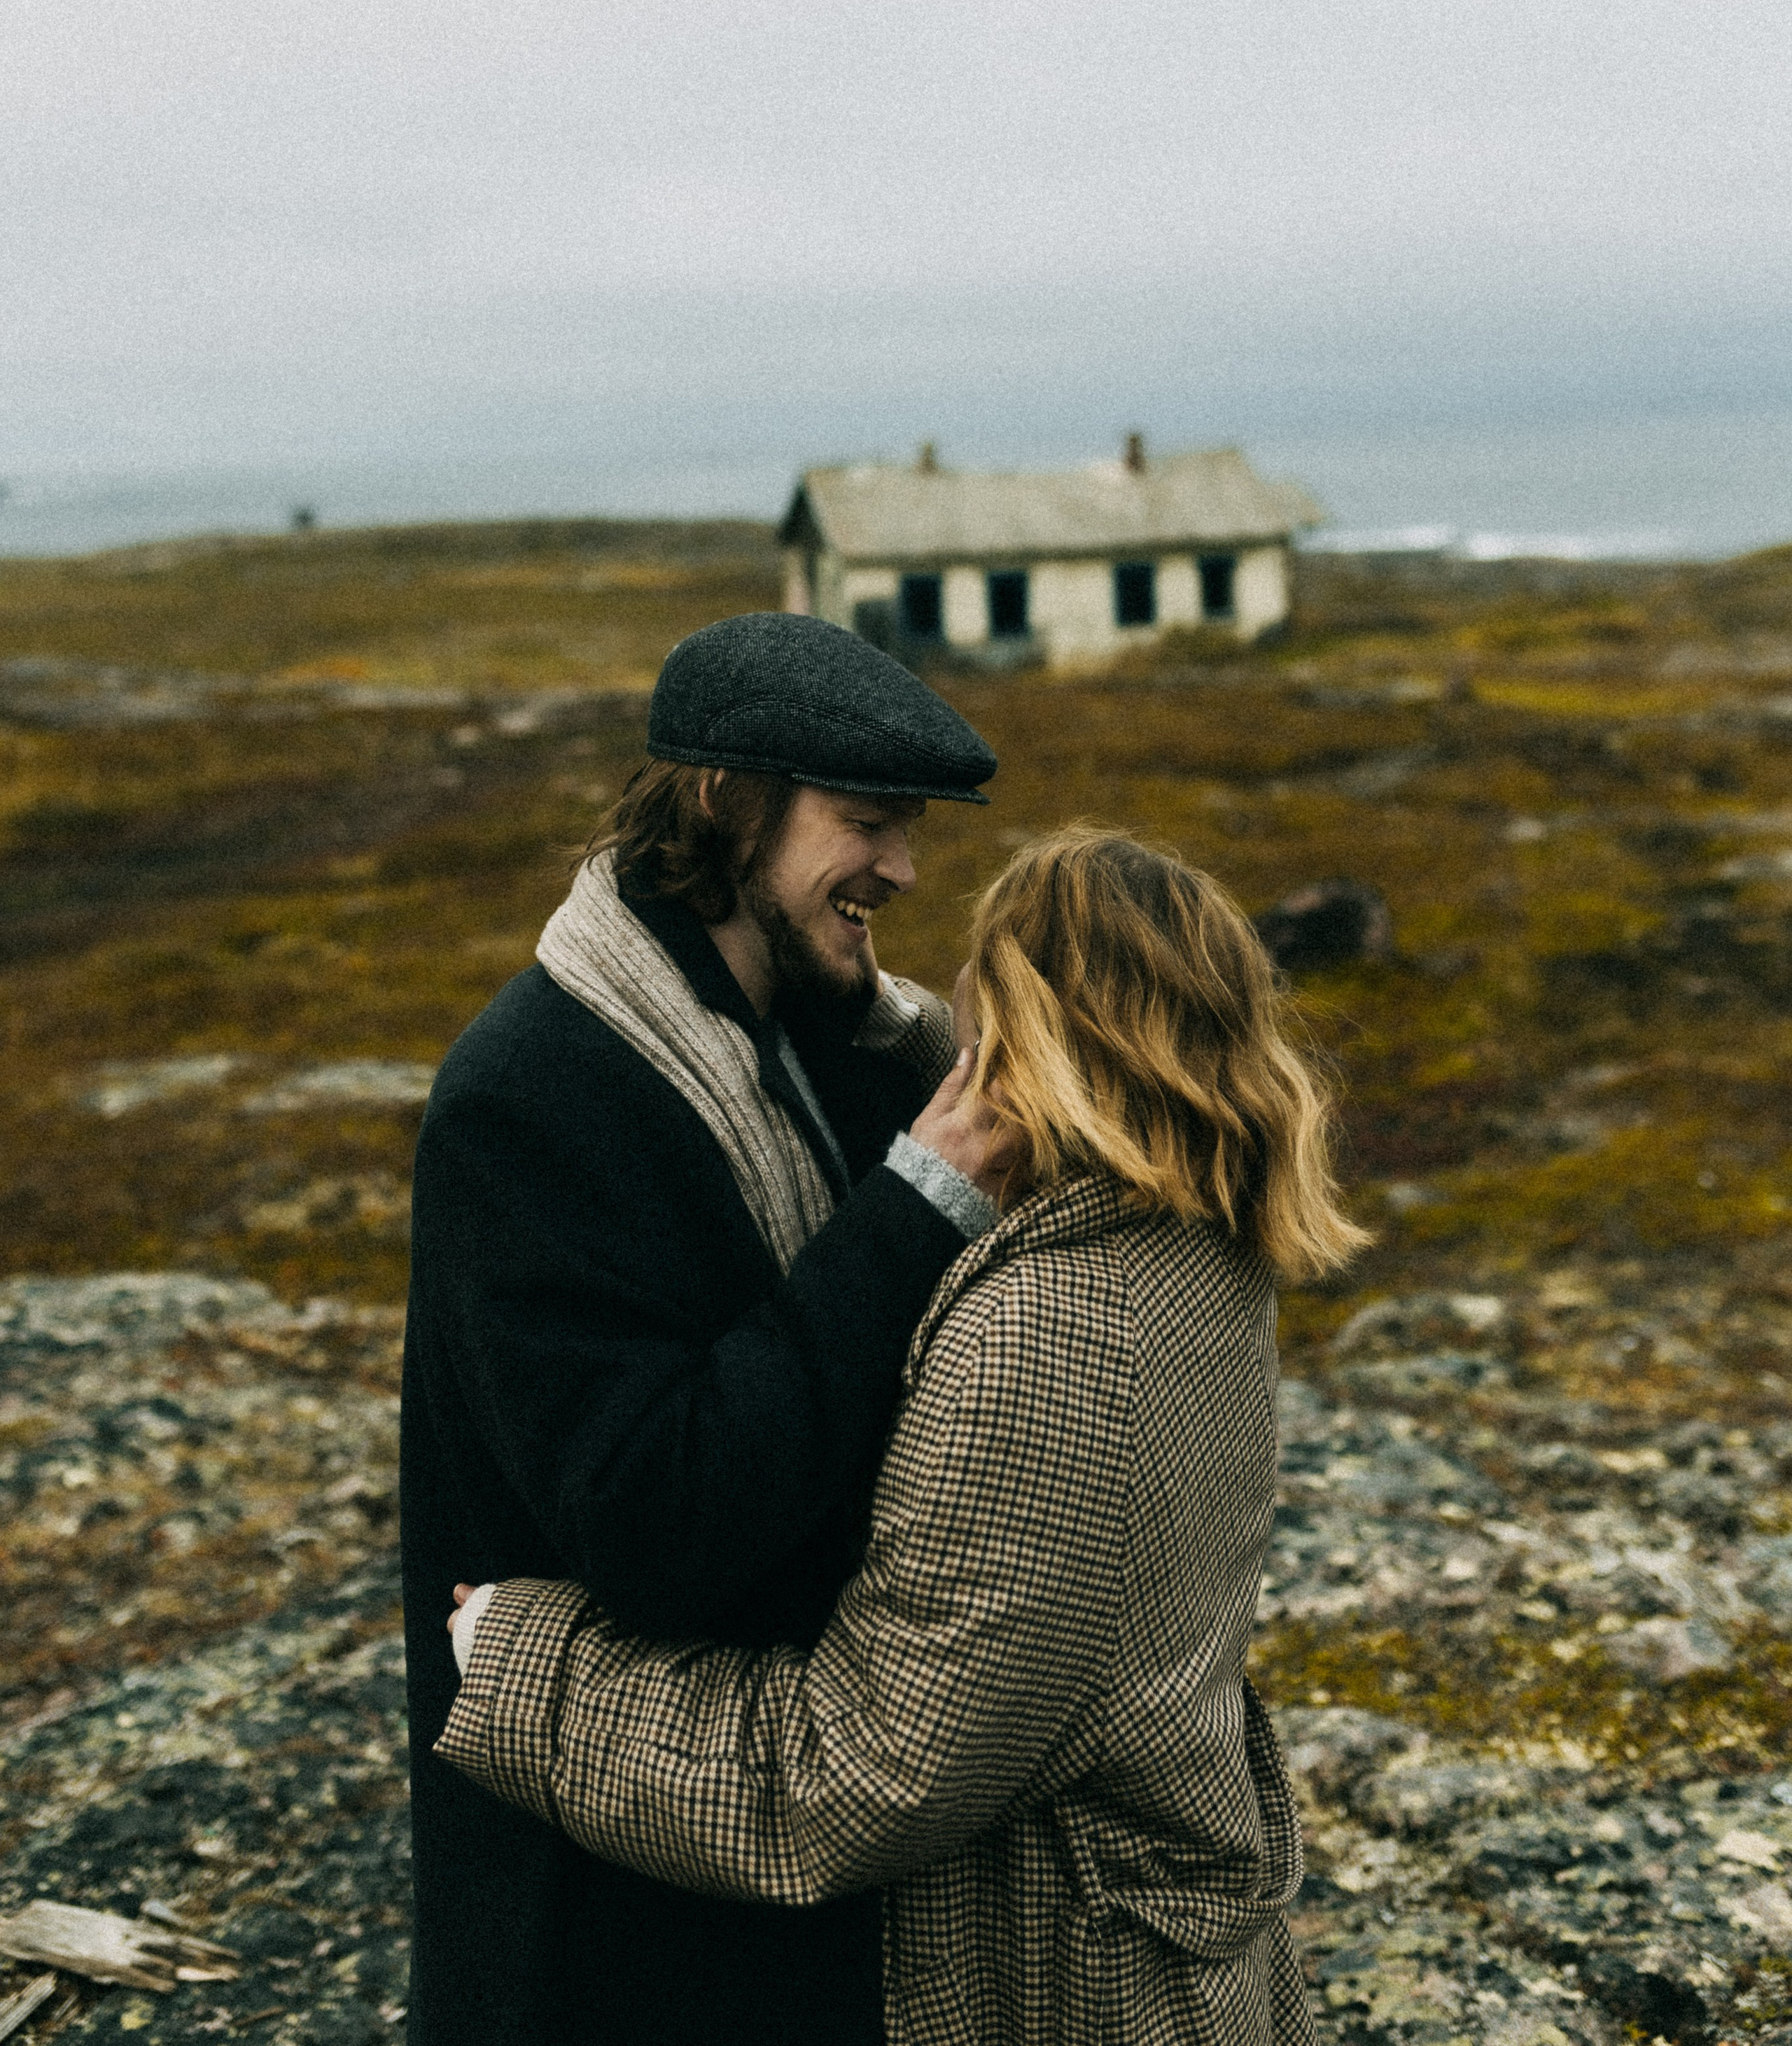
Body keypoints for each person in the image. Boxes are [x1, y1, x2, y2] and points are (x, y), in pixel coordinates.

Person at [437, 829, 1372, 2046]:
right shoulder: (1204, 1246)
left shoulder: (1054, 1332)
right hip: (1160, 1957)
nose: (957, 1009)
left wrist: (526, 1666)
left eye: (984, 982)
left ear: (1030, 1023)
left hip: (1059, 1990)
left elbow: (851, 1785)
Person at [400, 611, 1009, 2046]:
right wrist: (921, 1205)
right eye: (866, 822)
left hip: (765, 1833)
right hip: (604, 1911)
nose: (903, 871)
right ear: (727, 806)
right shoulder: (531, 1098)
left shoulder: (834, 1042)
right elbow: (652, 1518)